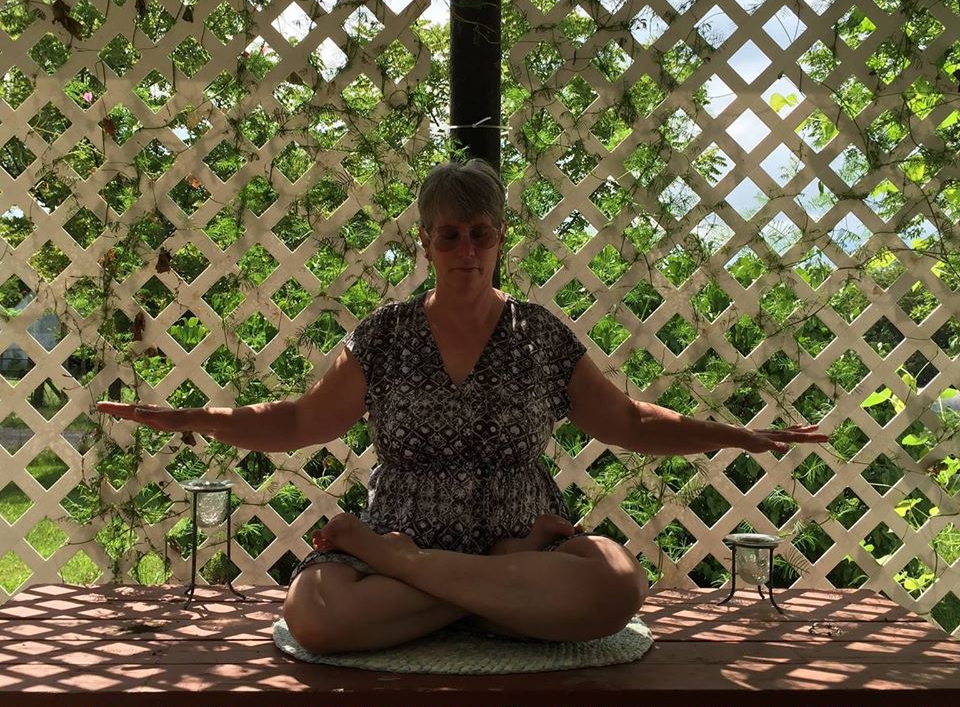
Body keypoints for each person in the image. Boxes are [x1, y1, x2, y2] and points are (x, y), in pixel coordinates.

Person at [98, 159, 828, 654]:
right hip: (472, 553)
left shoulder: (539, 335)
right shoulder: (384, 335)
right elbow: (296, 421)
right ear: (425, 241)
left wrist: (737, 435)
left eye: (481, 234)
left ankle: (421, 572)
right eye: (449, 235)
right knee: (315, 616)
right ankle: (486, 595)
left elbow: (632, 422)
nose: (466, 250)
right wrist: (194, 418)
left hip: (509, 537)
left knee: (618, 585)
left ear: (500, 238)